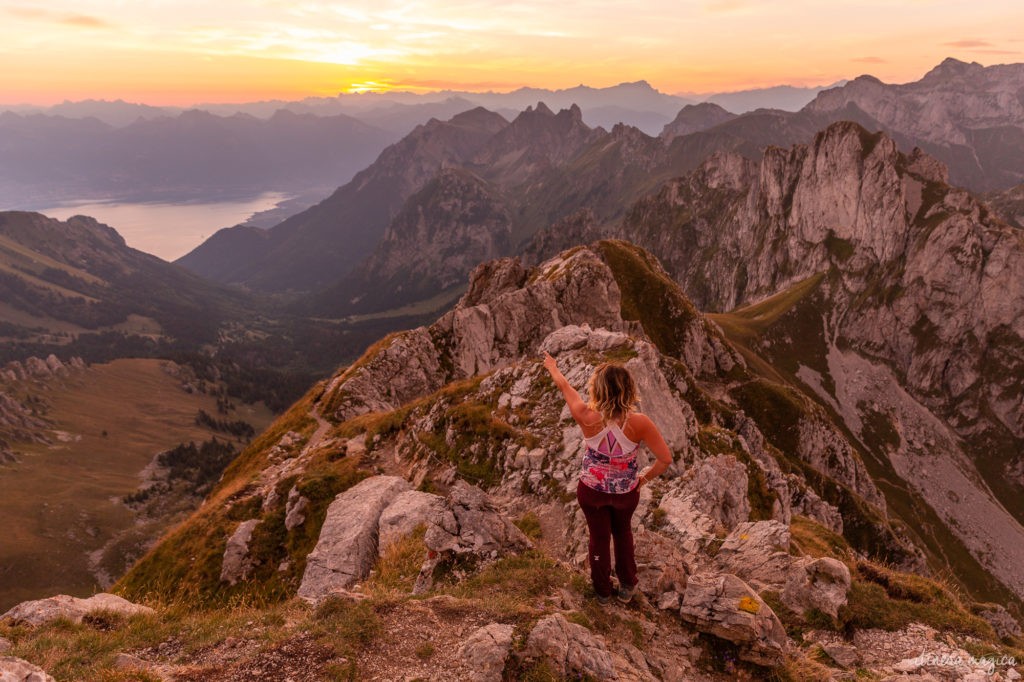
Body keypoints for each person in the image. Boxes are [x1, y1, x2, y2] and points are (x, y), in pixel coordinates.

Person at [543, 351, 673, 604]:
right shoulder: (640, 423)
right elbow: (665, 459)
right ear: (628, 390)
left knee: (599, 538)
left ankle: (602, 592)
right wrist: (642, 480)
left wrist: (553, 367)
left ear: (598, 391)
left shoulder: (584, 415)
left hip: (592, 491)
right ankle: (626, 586)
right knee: (623, 533)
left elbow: (565, 386)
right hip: (625, 493)